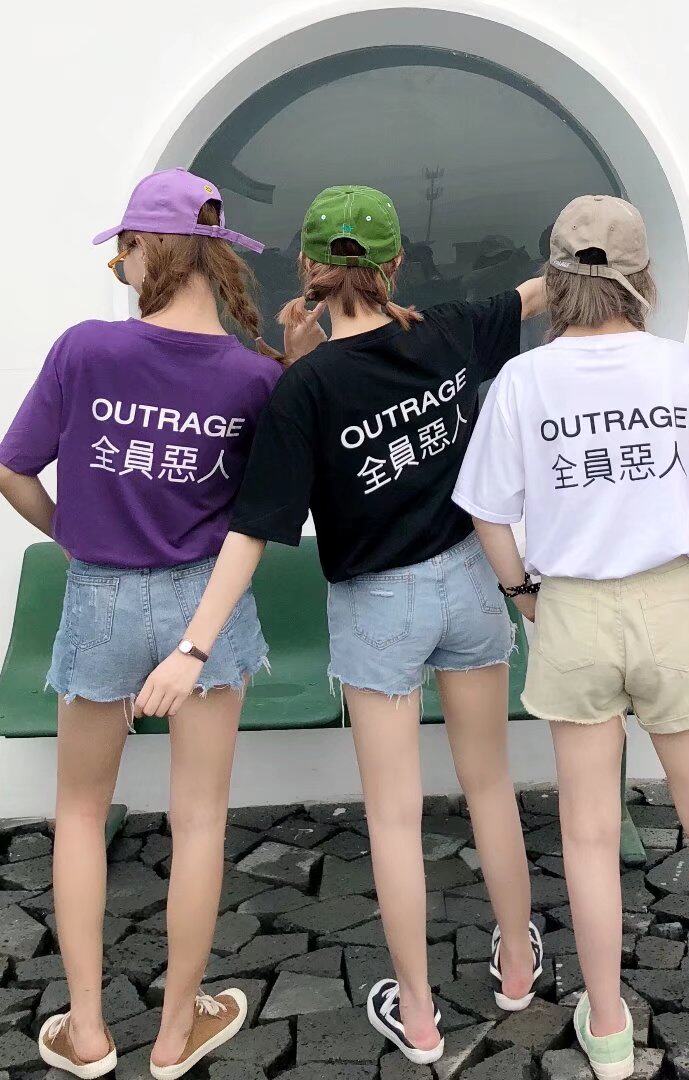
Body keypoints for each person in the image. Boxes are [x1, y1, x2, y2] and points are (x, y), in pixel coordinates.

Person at [133, 185, 549, 1066]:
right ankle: (517, 969)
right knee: (489, 786)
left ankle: (422, 1019)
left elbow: (254, 529)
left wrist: (193, 645)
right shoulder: (448, 331)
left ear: (309, 269)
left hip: (378, 605)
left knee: (394, 819)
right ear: (395, 262)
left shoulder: (306, 388)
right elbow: (541, 291)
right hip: (468, 582)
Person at [454, 194, 689, 1080]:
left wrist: (522, 594)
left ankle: (609, 1030)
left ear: (554, 276)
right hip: (673, 601)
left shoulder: (523, 381)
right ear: (641, 276)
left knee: (586, 834)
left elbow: (488, 512)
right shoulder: (680, 370)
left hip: (572, 608)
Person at [0, 169, 321, 1079]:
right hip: (204, 608)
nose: (122, 264)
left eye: (123, 251)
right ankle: (177, 1034)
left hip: (100, 597)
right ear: (218, 258)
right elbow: (272, 508)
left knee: (77, 813)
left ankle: (88, 1030)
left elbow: (13, 470)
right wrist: (295, 367)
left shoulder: (84, 349)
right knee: (201, 821)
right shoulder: (255, 376)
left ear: (146, 249)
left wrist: (77, 536)